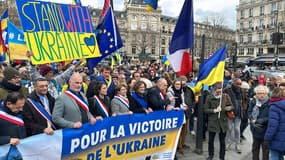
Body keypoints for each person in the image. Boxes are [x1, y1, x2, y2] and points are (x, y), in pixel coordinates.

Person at [204, 83, 232, 160]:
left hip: (223, 122)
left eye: (220, 91)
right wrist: (214, 110)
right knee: (211, 140)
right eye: (218, 92)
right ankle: (211, 155)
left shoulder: (225, 96)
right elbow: (205, 109)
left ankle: (222, 157)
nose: (219, 93)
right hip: (213, 122)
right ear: (214, 90)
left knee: (222, 141)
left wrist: (226, 108)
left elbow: (231, 106)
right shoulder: (209, 97)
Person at [166, 79, 189, 154]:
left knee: (182, 129)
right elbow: (167, 105)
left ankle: (180, 146)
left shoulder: (181, 92)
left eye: (179, 84)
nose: (178, 86)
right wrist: (174, 108)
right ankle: (175, 147)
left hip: (180, 112)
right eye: (176, 84)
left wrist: (184, 106)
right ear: (173, 85)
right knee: (174, 131)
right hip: (173, 113)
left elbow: (182, 102)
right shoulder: (169, 93)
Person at [248, 85, 270, 160]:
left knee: (265, 150)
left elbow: (270, 117)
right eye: (259, 93)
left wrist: (259, 121)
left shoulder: (270, 103)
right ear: (256, 94)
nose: (261, 95)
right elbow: (249, 112)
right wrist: (251, 118)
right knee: (255, 148)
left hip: (265, 130)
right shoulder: (253, 101)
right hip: (255, 129)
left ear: (267, 94)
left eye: (263, 93)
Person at [223, 78, 244, 153]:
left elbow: (244, 100)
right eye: (237, 84)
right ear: (233, 83)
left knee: (237, 129)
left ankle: (237, 144)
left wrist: (244, 108)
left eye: (240, 84)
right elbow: (223, 98)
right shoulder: (227, 90)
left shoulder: (242, 91)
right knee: (229, 128)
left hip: (238, 112)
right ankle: (228, 143)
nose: (239, 85)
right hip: (230, 112)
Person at [264, 87, 285, 160]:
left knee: (274, 156)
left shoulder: (274, 106)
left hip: (276, 138)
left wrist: (267, 138)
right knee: (281, 156)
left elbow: (273, 125)